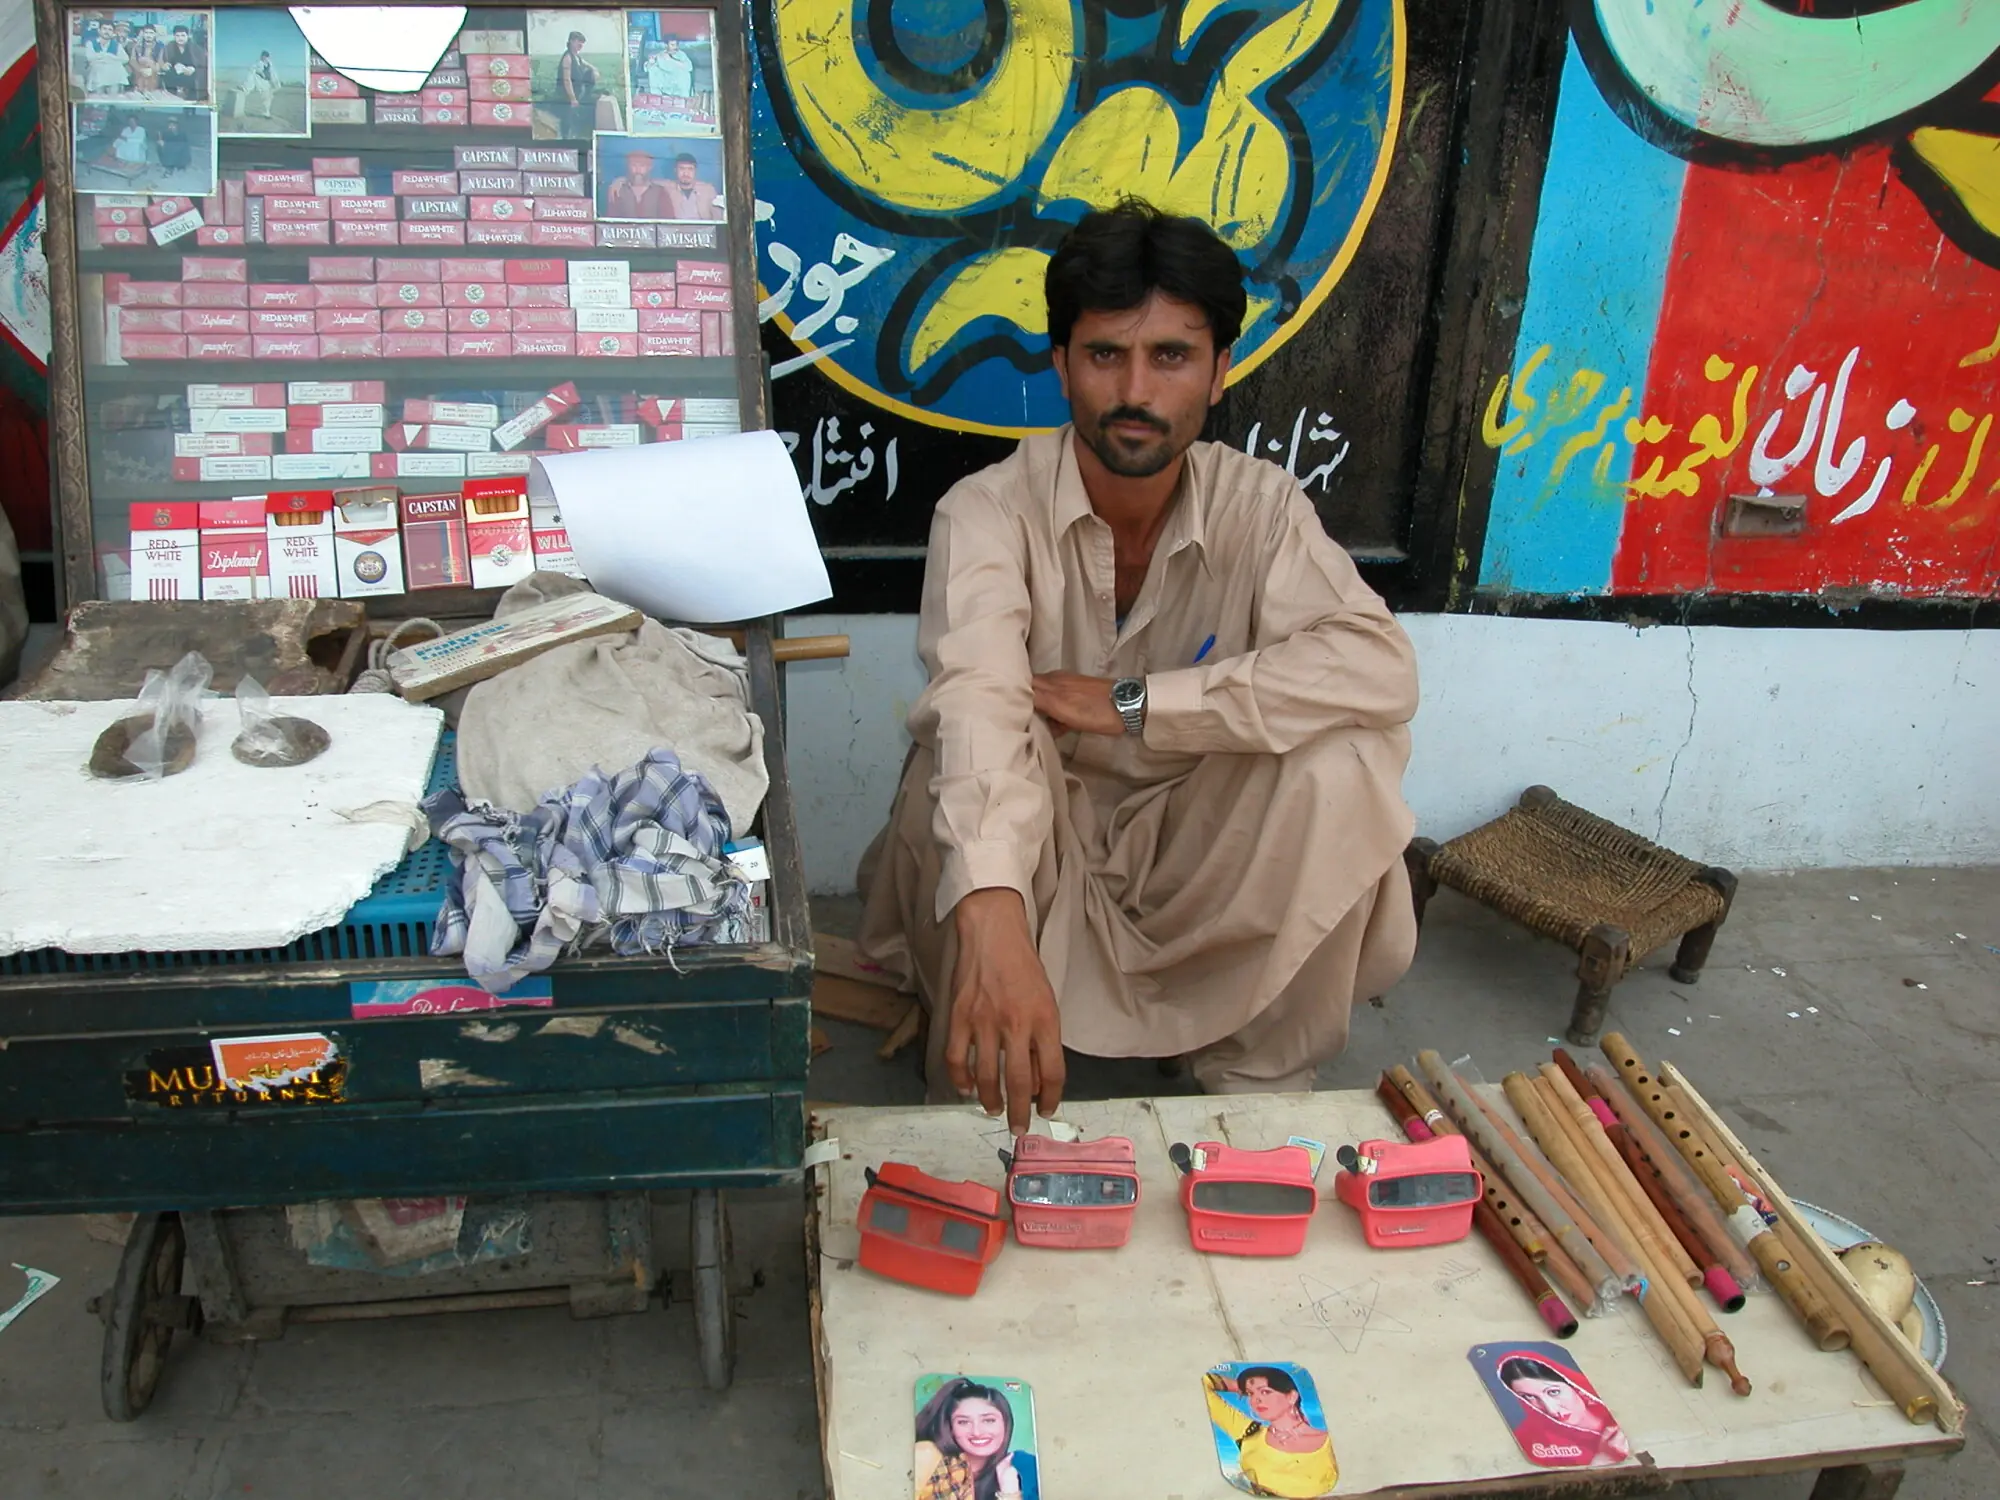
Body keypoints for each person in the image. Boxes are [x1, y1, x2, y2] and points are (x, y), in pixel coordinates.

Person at [854, 199, 1418, 1131]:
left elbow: (1379, 669)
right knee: (947, 779)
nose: (1136, 392)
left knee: (1345, 761)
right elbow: (978, 704)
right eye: (1105, 354)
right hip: (1051, 845)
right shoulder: (986, 511)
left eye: (1171, 356)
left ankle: (1258, 1087)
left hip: (1194, 842)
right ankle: (978, 1094)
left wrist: (1138, 705)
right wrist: (993, 914)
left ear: (1220, 368)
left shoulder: (1264, 509)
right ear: (1061, 363)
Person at [1204, 1367, 1337, 1498]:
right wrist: (1238, 1385)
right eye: (1250, 1394)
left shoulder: (1329, 1443)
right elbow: (1204, 1385)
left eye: (1265, 1392)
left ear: (1292, 1396)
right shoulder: (1247, 1432)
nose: (1256, 1400)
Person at [913, 1378, 1039, 1500]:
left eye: (989, 1420)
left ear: (1006, 1423)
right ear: (949, 1427)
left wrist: (1010, 1492)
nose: (977, 1432)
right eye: (963, 1422)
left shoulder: (1027, 1469)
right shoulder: (926, 1456)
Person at [1496, 1354, 1630, 1467]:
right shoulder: (1534, 1439)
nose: (1551, 1410)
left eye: (1554, 1392)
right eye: (1529, 1397)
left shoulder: (1623, 1408)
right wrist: (1604, 1458)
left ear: (1574, 1386)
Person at [553, 29, 598, 139]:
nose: (581, 45)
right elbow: (566, 80)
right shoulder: (567, 58)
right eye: (579, 42)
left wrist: (594, 70)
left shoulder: (577, 57)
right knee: (567, 118)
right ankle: (566, 138)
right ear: (572, 42)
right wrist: (572, 98)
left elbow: (586, 64)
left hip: (577, 92)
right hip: (566, 95)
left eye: (582, 43)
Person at [606, 148, 669, 219]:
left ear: (649, 167)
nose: (638, 170)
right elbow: (611, 220)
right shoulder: (618, 191)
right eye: (634, 165)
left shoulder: (660, 192)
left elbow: (668, 221)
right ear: (628, 167)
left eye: (642, 166)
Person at [658, 151, 721, 220]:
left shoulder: (708, 190)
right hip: (675, 229)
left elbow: (718, 217)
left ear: (695, 171)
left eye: (690, 169)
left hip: (703, 230)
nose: (686, 173)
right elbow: (649, 183)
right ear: (675, 170)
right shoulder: (666, 188)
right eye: (682, 168)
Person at [161, 23, 206, 101]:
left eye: (183, 35)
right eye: (177, 36)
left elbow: (202, 63)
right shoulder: (170, 46)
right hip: (174, 74)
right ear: (174, 36)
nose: (180, 38)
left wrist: (193, 69)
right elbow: (164, 61)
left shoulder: (195, 48)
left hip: (190, 74)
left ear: (187, 36)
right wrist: (166, 65)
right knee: (167, 75)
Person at [83, 22, 129, 95]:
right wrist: (105, 56)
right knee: (99, 70)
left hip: (112, 73)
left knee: (117, 69)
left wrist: (110, 56)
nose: (107, 32)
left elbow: (125, 59)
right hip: (97, 71)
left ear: (113, 33)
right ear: (99, 30)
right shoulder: (91, 43)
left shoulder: (117, 45)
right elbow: (90, 57)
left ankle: (113, 100)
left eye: (110, 30)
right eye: (104, 29)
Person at [237, 50, 277, 120]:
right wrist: (260, 73)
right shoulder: (257, 64)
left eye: (266, 57)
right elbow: (251, 71)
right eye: (263, 56)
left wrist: (275, 83)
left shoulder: (270, 64)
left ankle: (266, 113)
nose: (265, 58)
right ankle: (245, 88)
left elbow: (273, 74)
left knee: (268, 98)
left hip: (267, 83)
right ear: (262, 57)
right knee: (265, 97)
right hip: (259, 81)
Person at [127, 24, 161, 94]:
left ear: (155, 34)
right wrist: (141, 70)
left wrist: (152, 69)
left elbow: (161, 62)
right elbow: (132, 61)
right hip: (139, 71)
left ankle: (150, 92)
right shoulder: (137, 46)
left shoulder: (160, 47)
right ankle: (140, 91)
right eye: (146, 33)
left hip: (153, 71)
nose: (148, 35)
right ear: (143, 34)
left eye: (151, 33)